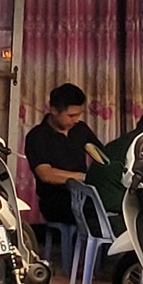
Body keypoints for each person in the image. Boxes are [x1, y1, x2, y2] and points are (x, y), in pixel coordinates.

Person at [23, 84, 104, 240]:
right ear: (53, 110)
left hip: (84, 196)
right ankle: (86, 257)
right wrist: (84, 177)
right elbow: (46, 174)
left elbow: (101, 156)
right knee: (95, 211)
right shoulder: (38, 136)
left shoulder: (81, 130)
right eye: (71, 116)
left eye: (78, 115)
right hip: (56, 202)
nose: (76, 120)